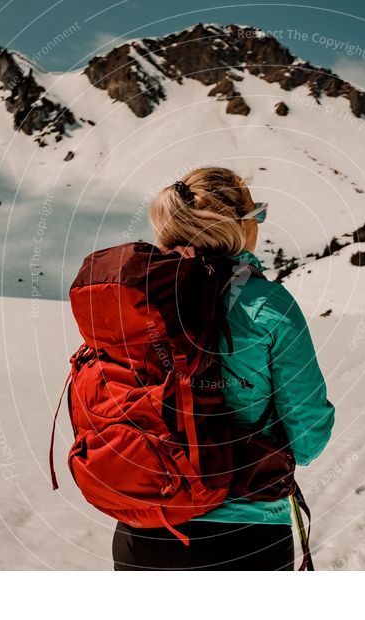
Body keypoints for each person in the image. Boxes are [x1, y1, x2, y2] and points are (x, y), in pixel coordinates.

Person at [111, 166, 335, 570]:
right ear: (239, 226)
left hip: (141, 530)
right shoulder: (267, 305)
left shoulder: (132, 298)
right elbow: (308, 439)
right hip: (244, 537)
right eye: (257, 216)